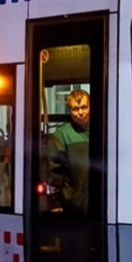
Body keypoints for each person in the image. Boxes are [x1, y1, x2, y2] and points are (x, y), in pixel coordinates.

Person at [46, 88, 91, 217]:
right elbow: (55, 171)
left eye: (84, 107)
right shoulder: (62, 134)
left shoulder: (105, 129)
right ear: (69, 111)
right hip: (75, 205)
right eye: (75, 109)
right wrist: (54, 202)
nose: (80, 112)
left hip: (102, 202)